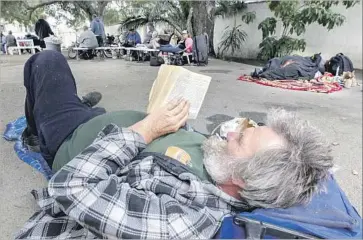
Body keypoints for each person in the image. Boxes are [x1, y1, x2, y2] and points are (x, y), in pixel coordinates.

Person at [16, 50, 335, 239]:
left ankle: (37, 131)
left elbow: (71, 186)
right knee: (62, 95)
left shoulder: (184, 220)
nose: (235, 129)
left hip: (73, 137)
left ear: (241, 178)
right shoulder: (222, 166)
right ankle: (73, 107)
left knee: (46, 62)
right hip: (110, 122)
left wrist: (146, 129)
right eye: (250, 125)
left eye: (243, 138)